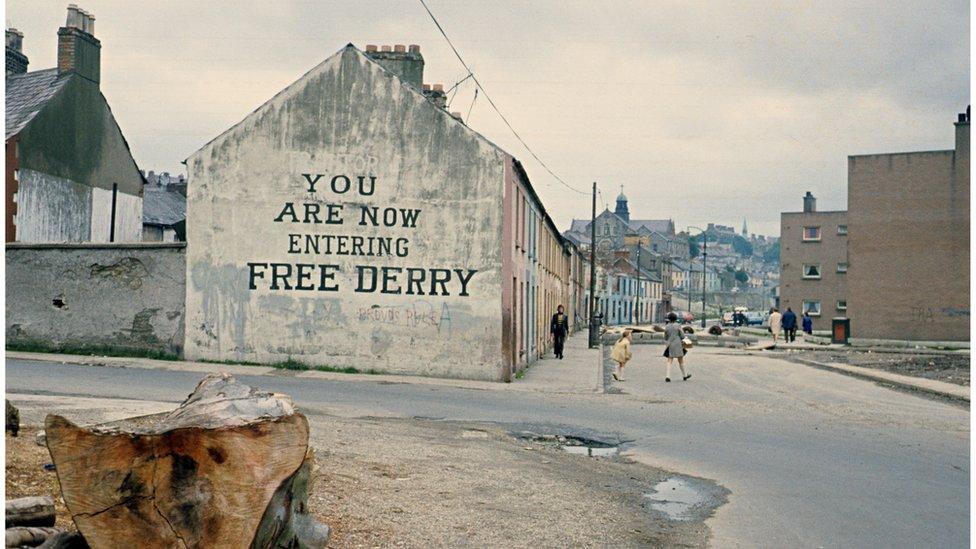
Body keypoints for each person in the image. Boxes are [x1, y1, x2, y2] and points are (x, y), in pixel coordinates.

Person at [663, 312, 690, 382]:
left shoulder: (667, 326)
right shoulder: (678, 325)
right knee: (680, 360)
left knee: (669, 360)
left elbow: (665, 337)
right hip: (678, 344)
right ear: (676, 319)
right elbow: (682, 335)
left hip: (670, 344)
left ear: (669, 319)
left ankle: (668, 376)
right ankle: (684, 375)